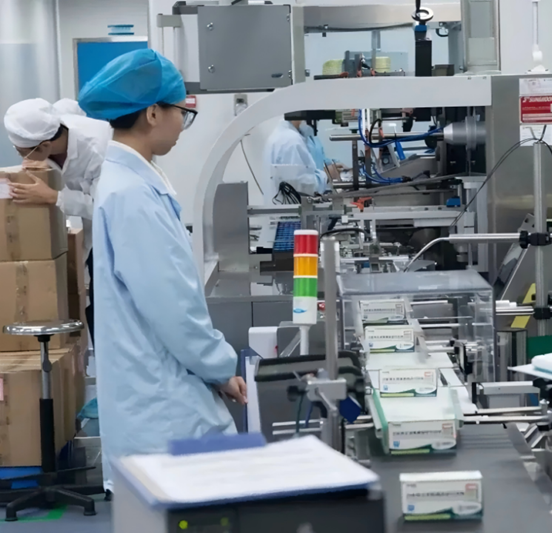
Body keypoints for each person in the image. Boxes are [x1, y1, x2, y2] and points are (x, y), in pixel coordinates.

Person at [78, 48, 246, 491]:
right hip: (162, 399)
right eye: (181, 114)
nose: (181, 126)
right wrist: (220, 367)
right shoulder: (132, 194)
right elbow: (173, 307)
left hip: (154, 389)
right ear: (153, 113)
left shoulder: (131, 182)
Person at [3, 98, 111, 341]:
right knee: (92, 300)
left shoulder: (100, 149)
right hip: (91, 229)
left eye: (23, 152)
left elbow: (110, 209)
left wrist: (54, 197)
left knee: (107, 303)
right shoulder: (53, 124)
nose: (23, 158)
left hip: (119, 231)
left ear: (43, 146)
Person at [263, 119, 330, 202]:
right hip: (290, 208)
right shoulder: (291, 140)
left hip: (277, 206)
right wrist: (325, 177)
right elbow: (303, 186)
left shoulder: (279, 135)